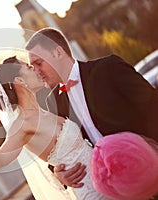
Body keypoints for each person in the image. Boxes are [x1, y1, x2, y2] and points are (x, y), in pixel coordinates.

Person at [0, 56, 108, 200]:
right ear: (20, 81)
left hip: (106, 176)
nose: (36, 70)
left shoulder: (46, 110)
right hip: (90, 192)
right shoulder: (22, 124)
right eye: (29, 68)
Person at [25, 27, 158, 189]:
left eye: (39, 63)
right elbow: (57, 151)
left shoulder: (108, 68)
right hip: (111, 188)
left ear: (58, 52)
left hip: (150, 164)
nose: (37, 72)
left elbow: (152, 104)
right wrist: (58, 174)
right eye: (32, 67)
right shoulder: (52, 102)